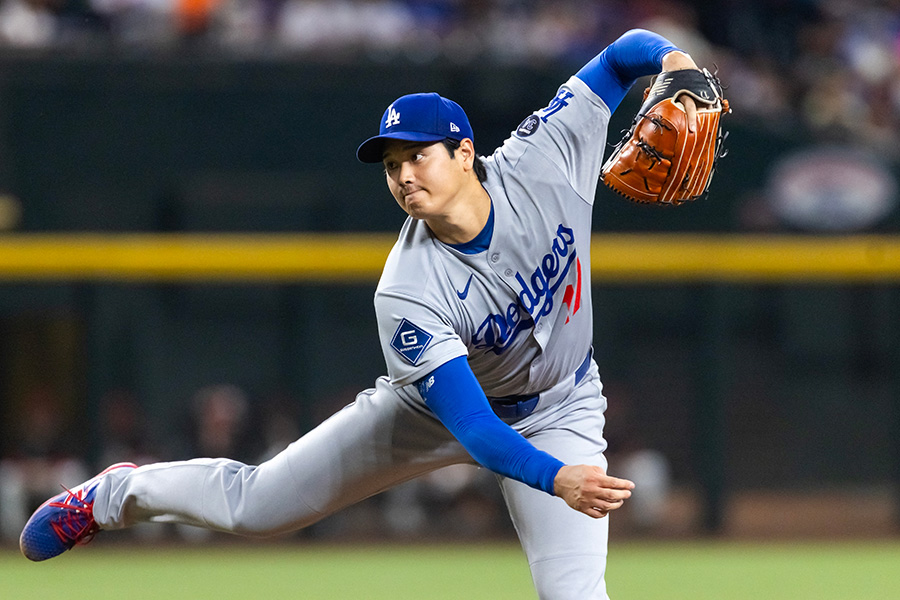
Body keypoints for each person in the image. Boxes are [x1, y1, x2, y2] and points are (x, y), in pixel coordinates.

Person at [20, 28, 703, 599]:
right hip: (434, 413)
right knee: (258, 507)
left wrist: (681, 67)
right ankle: (112, 497)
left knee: (576, 594)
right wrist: (559, 479)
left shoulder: (542, 158)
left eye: (418, 157)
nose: (404, 176)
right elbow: (472, 428)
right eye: (390, 165)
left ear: (465, 153)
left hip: (562, 404)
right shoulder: (409, 290)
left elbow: (624, 53)